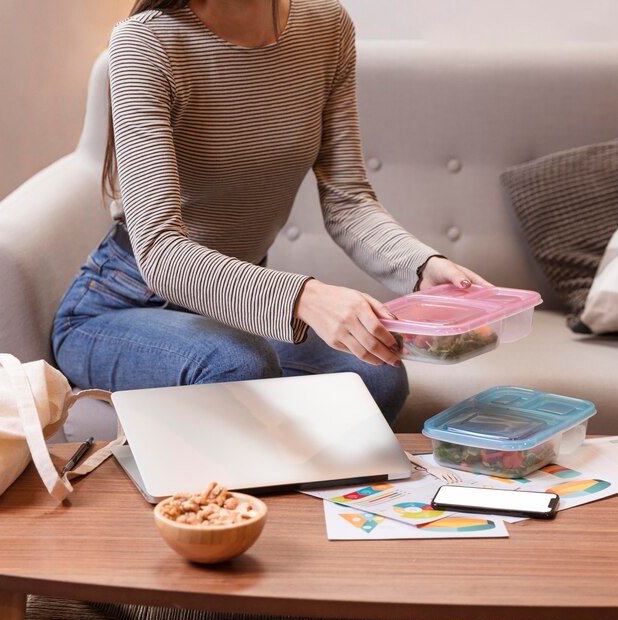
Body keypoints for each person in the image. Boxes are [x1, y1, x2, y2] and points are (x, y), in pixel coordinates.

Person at [52, 0, 489, 425]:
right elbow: (160, 251)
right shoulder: (145, 44)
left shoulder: (326, 26)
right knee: (239, 364)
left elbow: (348, 200)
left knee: (376, 375)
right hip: (123, 304)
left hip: (231, 310)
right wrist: (305, 298)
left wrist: (423, 267)